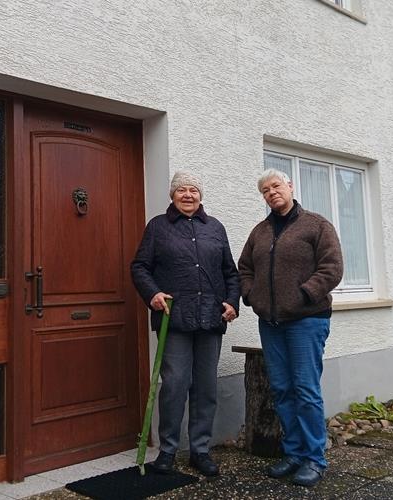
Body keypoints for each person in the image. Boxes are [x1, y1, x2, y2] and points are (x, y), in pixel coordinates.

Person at [238, 168, 343, 487]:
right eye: (265, 190)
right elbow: (244, 269)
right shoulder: (260, 232)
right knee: (282, 389)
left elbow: (332, 267)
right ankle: (294, 453)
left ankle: (314, 458)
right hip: (271, 323)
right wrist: (251, 295)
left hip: (306, 321)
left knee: (306, 390)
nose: (272, 192)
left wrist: (302, 295)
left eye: (276, 186)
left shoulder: (317, 225)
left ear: (290, 186)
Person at [131, 170, 240, 477]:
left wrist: (232, 302)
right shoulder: (158, 228)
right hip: (174, 319)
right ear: (172, 195)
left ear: (200, 195)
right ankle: (167, 450)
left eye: (193, 190)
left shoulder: (215, 228)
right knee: (175, 385)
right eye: (182, 190)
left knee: (206, 387)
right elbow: (140, 267)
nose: (188, 195)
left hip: (210, 318)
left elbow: (230, 273)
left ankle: (200, 450)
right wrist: (152, 294)